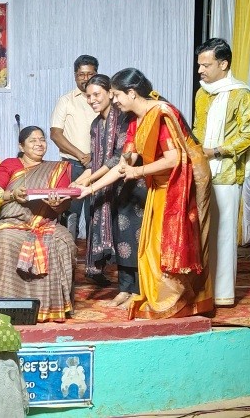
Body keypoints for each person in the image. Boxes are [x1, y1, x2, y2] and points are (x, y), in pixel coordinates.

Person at [80, 68, 214, 319]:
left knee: (172, 241)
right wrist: (90, 188)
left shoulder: (161, 114)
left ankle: (179, 298)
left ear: (131, 93)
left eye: (117, 95)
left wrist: (137, 171)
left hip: (181, 182)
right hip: (157, 183)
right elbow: (124, 163)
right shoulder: (134, 118)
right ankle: (158, 295)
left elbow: (174, 159)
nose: (115, 100)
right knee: (151, 243)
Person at [192, 38, 250, 307]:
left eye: (206, 65)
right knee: (201, 233)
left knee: (223, 236)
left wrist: (217, 150)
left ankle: (222, 295)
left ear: (223, 63)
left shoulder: (242, 94)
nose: (200, 71)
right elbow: (198, 130)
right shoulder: (202, 93)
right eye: (199, 65)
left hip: (227, 174)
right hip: (202, 172)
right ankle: (201, 290)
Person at [71, 74, 145, 307]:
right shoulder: (96, 125)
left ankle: (139, 291)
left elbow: (117, 158)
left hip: (131, 185)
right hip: (109, 189)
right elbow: (96, 159)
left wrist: (90, 182)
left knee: (134, 238)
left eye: (97, 95)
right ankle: (124, 289)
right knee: (120, 237)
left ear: (109, 94)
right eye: (88, 96)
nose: (92, 100)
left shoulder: (123, 118)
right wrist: (79, 182)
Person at [0, 126, 75, 323]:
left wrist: (58, 204)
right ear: (21, 146)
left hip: (45, 222)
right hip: (13, 222)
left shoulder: (57, 168)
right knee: (6, 240)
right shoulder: (10, 165)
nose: (39, 144)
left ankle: (50, 308)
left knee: (63, 241)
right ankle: (8, 305)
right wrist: (13, 195)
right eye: (33, 140)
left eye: (42, 140)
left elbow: (65, 202)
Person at [50, 55, 99, 237]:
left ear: (96, 74)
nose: (85, 79)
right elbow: (55, 134)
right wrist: (81, 155)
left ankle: (93, 263)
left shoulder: (102, 99)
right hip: (73, 166)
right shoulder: (66, 100)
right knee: (70, 216)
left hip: (100, 167)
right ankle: (69, 260)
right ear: (75, 75)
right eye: (81, 75)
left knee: (95, 216)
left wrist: (95, 158)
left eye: (90, 74)